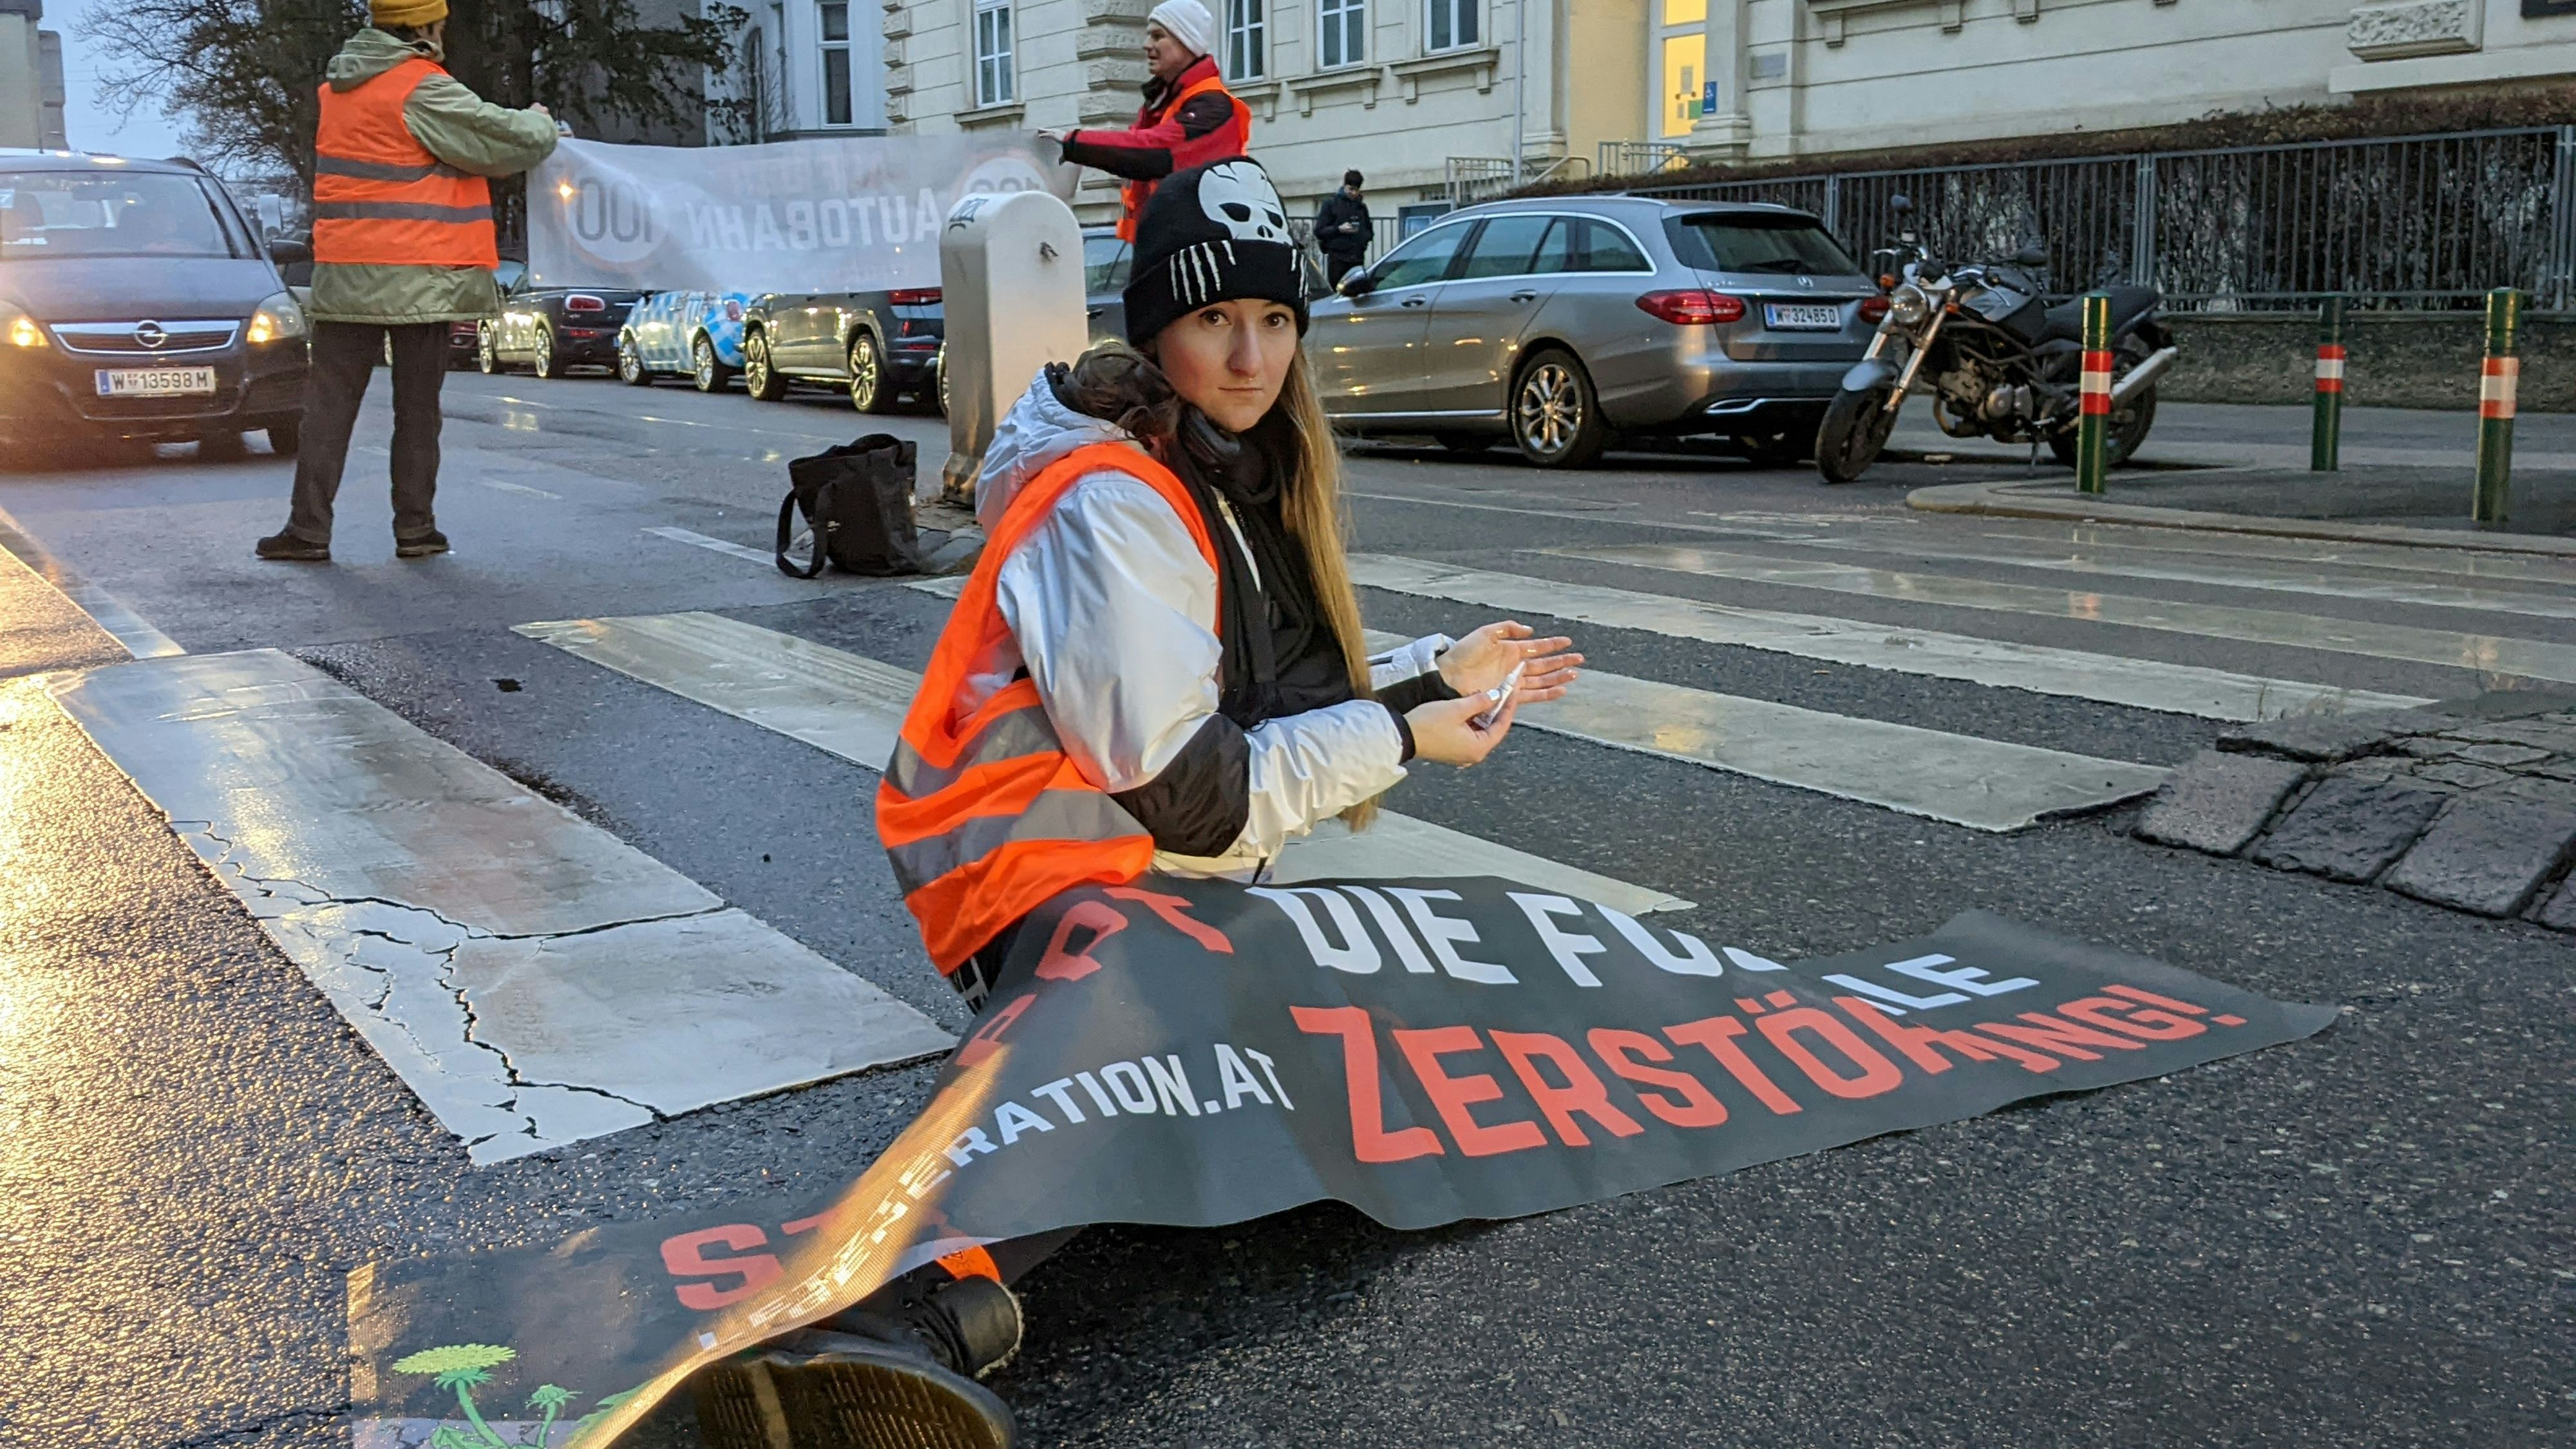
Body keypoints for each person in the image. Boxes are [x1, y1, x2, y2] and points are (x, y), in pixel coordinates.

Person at [688, 159, 1583, 1449]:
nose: (1250, 353)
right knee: (1150, 1040)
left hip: (1114, 866)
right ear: (1157, 329)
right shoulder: (1118, 497)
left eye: (1276, 320)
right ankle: (900, 1312)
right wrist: (1400, 733)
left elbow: (1252, 702)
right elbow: (1193, 796)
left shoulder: (1214, 469)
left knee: (1325, 1059)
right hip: (1041, 881)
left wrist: (1432, 676)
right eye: (1217, 320)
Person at [253, 0, 558, 563]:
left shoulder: (338, 88)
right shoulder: (419, 86)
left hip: (346, 279)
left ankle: (307, 530)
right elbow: (498, 139)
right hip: (420, 278)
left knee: (327, 410)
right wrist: (541, 120)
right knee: (416, 409)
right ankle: (416, 529)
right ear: (423, 26)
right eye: (439, 23)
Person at [1042, 0, 1250, 242]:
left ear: (1186, 42)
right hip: (1165, 245)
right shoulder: (1163, 102)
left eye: (1157, 36)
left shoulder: (1213, 104)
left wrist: (1075, 143)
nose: (1146, 45)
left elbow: (1157, 151)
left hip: (1198, 247)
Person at [1315, 169, 1372, 289]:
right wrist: (1339, 229)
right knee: (1338, 291)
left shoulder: (1361, 207)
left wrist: (1362, 243)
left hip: (1357, 258)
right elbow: (1319, 231)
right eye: (1351, 189)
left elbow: (1369, 231)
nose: (1353, 193)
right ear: (1344, 186)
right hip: (1338, 259)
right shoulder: (1331, 204)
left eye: (1356, 190)